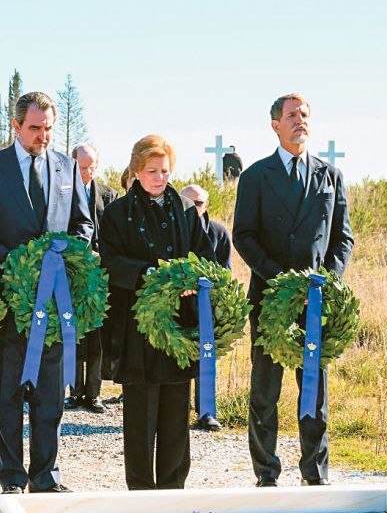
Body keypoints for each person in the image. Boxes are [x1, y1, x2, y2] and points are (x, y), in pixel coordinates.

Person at [0, 91, 93, 494]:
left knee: (50, 394)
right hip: (7, 297)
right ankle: (12, 477)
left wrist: (64, 255)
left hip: (54, 299)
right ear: (16, 126)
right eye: (35, 128)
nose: (43, 136)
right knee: (8, 391)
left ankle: (46, 476)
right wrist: (10, 261)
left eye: (48, 128)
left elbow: (84, 225)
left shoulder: (68, 168)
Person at [233, 94, 353, 488]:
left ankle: (314, 474)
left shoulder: (329, 176)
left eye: (304, 115)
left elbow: (343, 239)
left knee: (314, 392)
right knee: (266, 390)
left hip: (317, 302)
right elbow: (244, 236)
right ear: (275, 125)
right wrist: (284, 283)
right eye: (291, 115)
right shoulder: (255, 176)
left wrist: (325, 282)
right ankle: (266, 472)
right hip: (271, 300)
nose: (300, 120)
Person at [98, 134, 215, 490]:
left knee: (176, 410)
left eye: (164, 170)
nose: (159, 177)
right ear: (136, 170)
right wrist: (145, 273)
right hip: (136, 326)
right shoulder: (118, 212)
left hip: (178, 324)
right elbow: (109, 261)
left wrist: (195, 278)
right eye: (152, 171)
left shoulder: (184, 208)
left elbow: (204, 254)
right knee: (140, 415)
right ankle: (140, 490)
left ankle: (172, 487)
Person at [65, 144, 118, 414]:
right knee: (72, 331)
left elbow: (116, 234)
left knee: (96, 333)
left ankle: (94, 393)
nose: (88, 171)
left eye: (92, 166)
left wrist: (101, 255)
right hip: (72, 272)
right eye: (83, 167)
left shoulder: (109, 195)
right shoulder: (61, 192)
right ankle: (74, 391)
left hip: (99, 272)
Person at [180, 183, 231, 432]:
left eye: (198, 203)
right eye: (188, 203)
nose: (194, 208)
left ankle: (206, 412)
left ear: (206, 205)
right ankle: (177, 413)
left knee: (206, 358)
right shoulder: (172, 231)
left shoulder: (219, 233)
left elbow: (226, 272)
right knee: (178, 360)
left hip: (206, 306)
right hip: (177, 304)